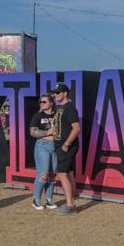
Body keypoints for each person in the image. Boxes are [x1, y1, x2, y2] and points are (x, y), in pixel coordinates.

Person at [51, 84, 80, 215]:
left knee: (62, 174)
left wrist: (66, 144)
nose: (55, 95)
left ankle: (70, 205)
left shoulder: (70, 108)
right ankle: (72, 201)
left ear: (65, 93)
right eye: (55, 93)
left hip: (66, 147)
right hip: (60, 145)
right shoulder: (60, 107)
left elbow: (76, 128)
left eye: (58, 93)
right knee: (69, 173)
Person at [29, 94, 59, 210]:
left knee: (52, 175)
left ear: (51, 103)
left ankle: (49, 200)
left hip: (55, 146)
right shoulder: (38, 116)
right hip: (42, 146)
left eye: (44, 102)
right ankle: (36, 200)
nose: (41, 104)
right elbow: (33, 132)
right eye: (40, 102)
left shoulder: (57, 115)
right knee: (43, 174)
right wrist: (48, 132)